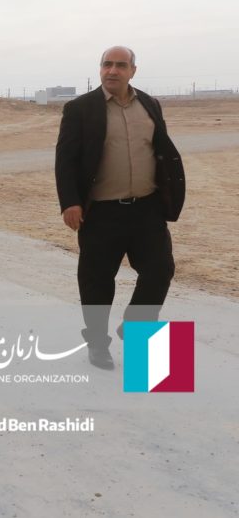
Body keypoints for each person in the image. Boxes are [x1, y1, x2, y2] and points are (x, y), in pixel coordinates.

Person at [55, 46, 184, 370]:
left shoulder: (150, 104)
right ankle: (98, 344)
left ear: (132, 71)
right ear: (100, 68)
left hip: (146, 208)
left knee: (160, 270)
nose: (112, 70)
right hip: (101, 212)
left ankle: (137, 325)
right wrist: (70, 202)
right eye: (107, 64)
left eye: (120, 65)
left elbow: (160, 150)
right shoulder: (80, 108)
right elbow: (66, 160)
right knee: (96, 281)